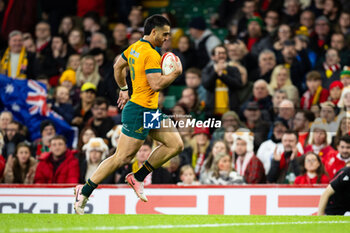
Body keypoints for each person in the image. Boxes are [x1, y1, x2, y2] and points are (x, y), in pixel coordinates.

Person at [74, 15, 184, 215]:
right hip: (139, 111)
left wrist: (124, 88)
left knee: (175, 144)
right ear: (154, 32)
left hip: (150, 110)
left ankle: (138, 177)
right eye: (165, 34)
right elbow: (157, 84)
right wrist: (175, 73)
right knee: (122, 157)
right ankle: (85, 189)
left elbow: (118, 66)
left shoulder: (134, 47)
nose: (167, 38)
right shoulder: (151, 54)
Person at [202, 45, 242, 116]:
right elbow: (206, 85)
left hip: (231, 112)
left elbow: (238, 85)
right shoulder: (207, 70)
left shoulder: (233, 69)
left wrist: (222, 76)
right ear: (213, 56)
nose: (221, 55)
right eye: (219, 53)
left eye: (223, 53)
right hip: (212, 112)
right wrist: (215, 72)